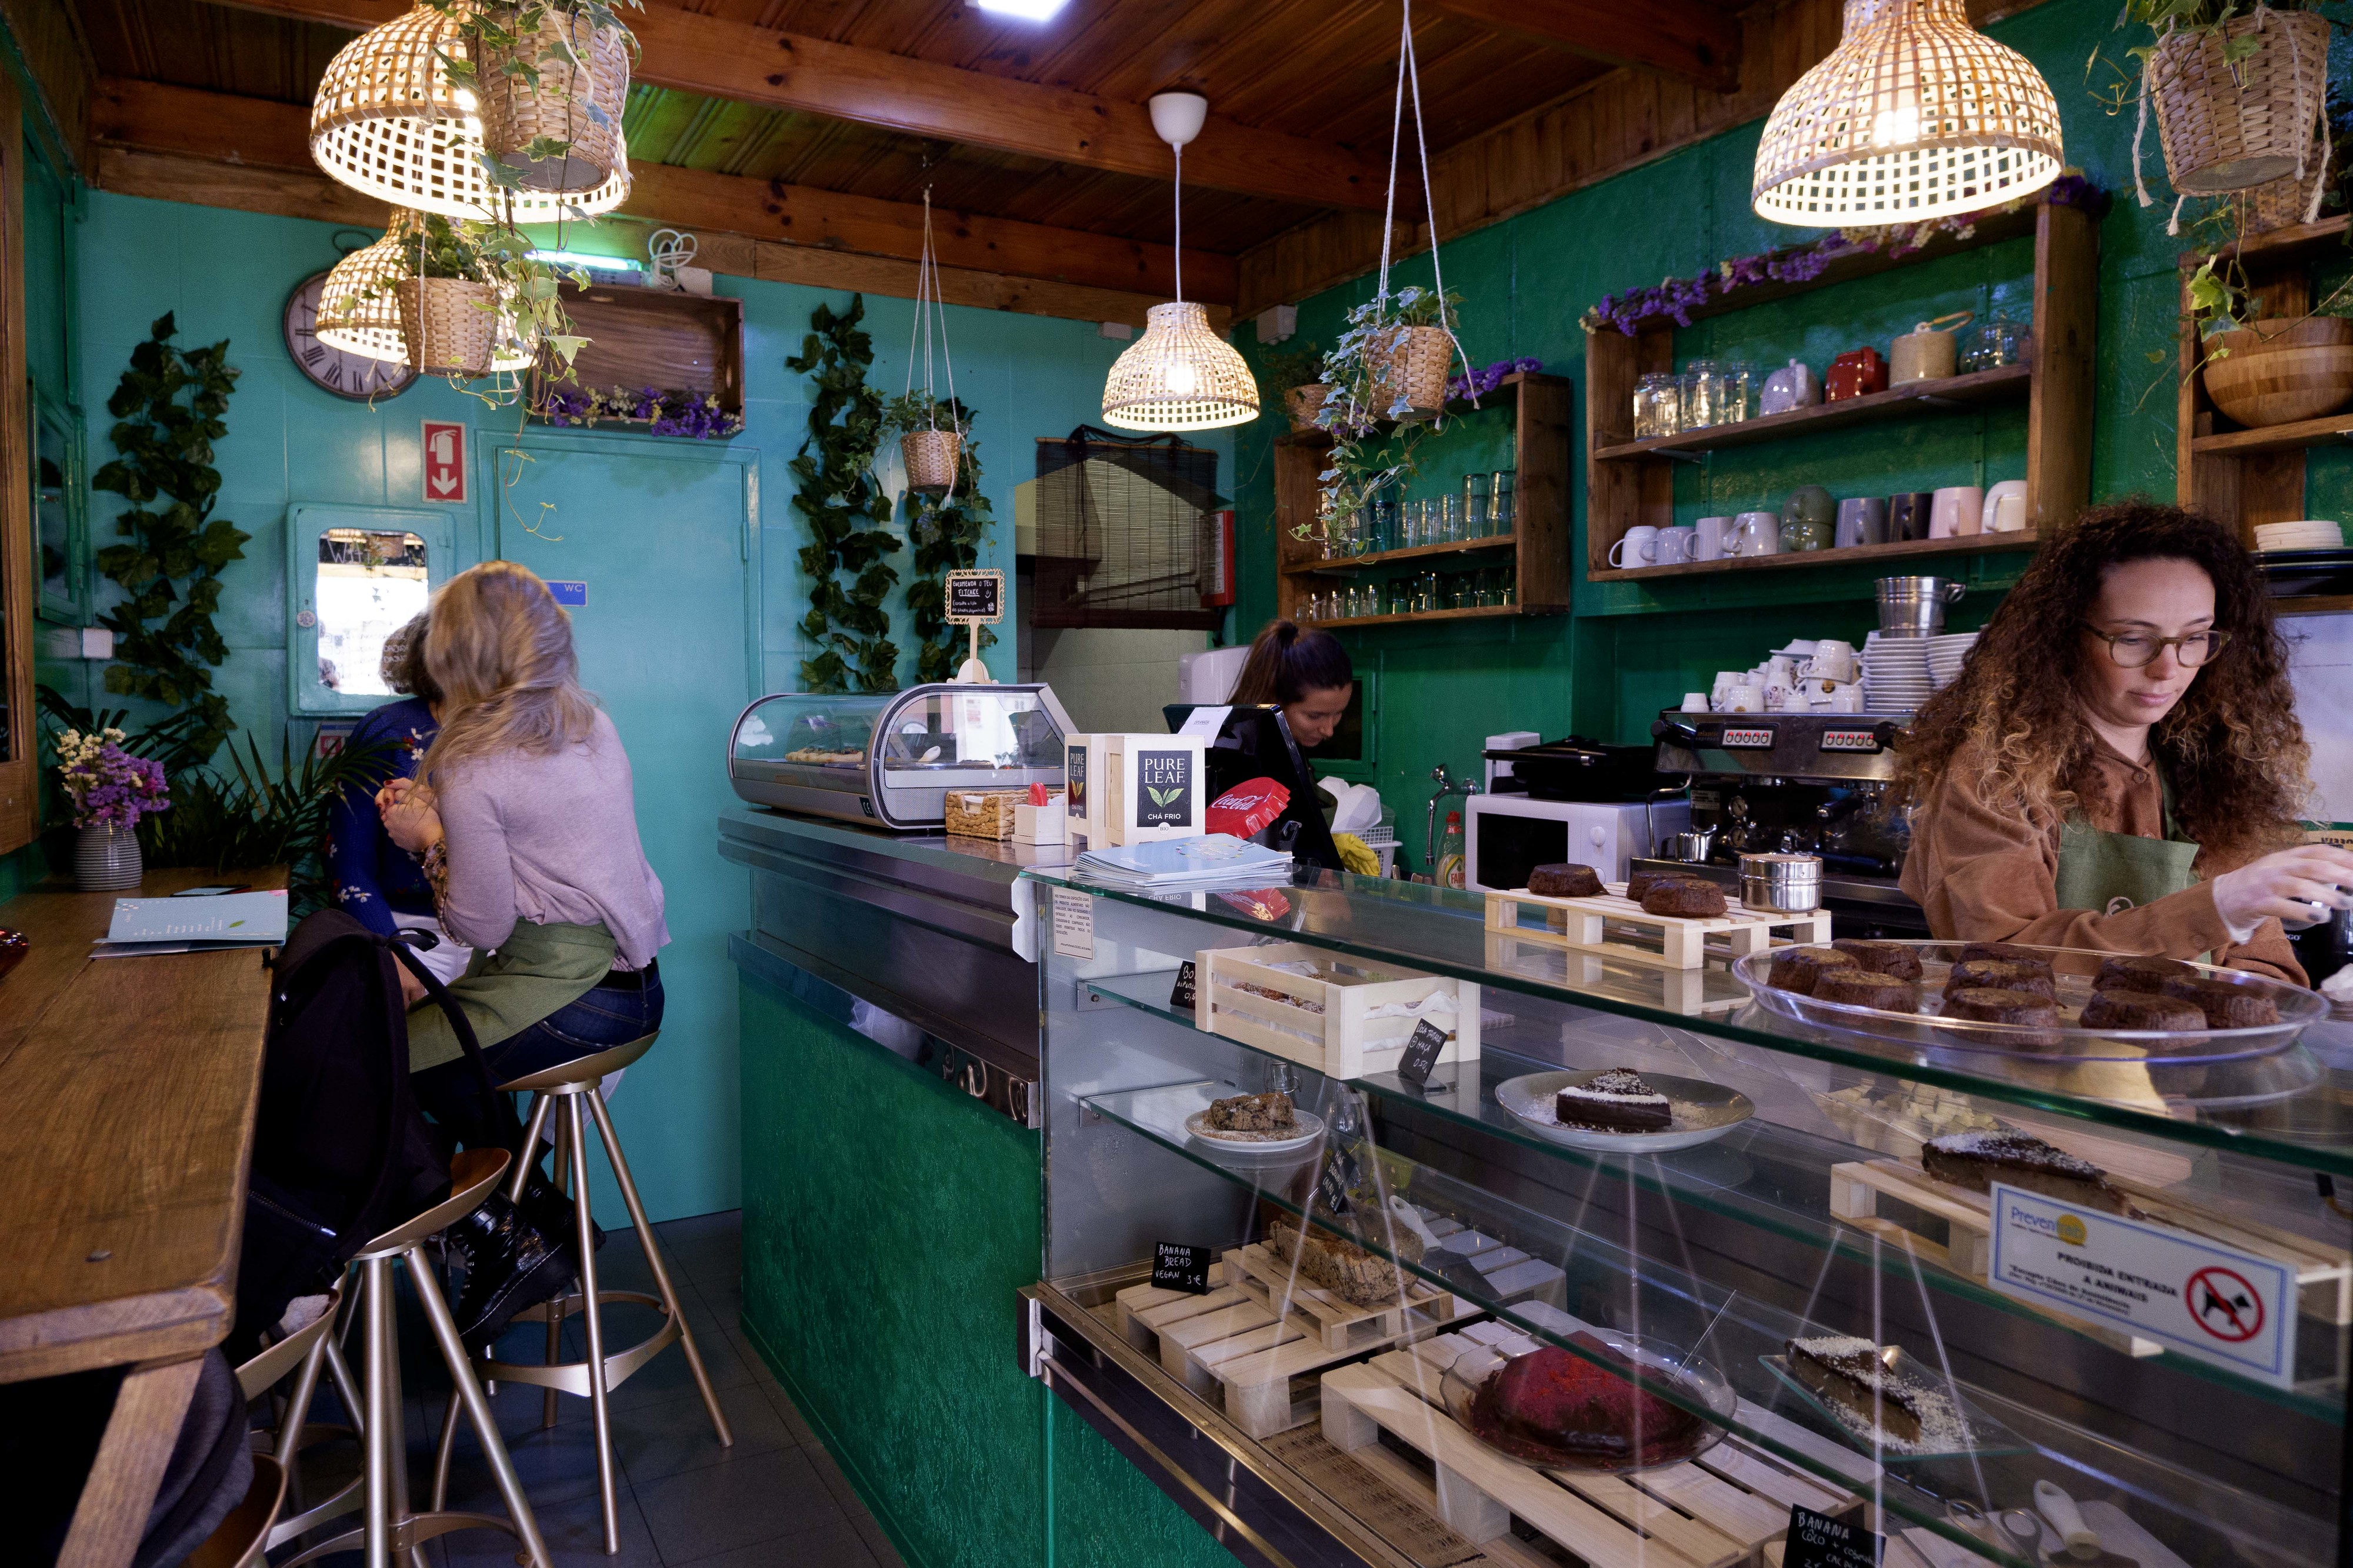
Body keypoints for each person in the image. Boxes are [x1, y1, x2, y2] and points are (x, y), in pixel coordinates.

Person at [375, 561, 671, 1345]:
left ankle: (502, 1236)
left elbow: (482, 924)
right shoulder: (590, 724)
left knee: (370, 1068)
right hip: (639, 989)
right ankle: (536, 1214)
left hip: (570, 998)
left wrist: (427, 838)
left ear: (456, 658)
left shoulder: (471, 763)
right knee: (458, 1056)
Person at [1895, 502, 2353, 982]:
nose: (2169, 670)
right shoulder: (1996, 774)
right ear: (2064, 636)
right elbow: (2003, 959)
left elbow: (2263, 970)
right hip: (2036, 1052)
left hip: (2179, 1055)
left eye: (2195, 637)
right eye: (2134, 639)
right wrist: (2213, 909)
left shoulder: (2216, 774)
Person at [323, 613, 472, 998]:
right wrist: (391, 951)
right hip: (404, 927)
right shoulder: (386, 729)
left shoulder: (520, 733)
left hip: (503, 936)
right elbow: (348, 864)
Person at [1211, 620, 1357, 870]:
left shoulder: (1287, 744)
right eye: (1315, 716)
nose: (1329, 730)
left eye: (1338, 714)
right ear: (1274, 699)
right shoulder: (1237, 755)